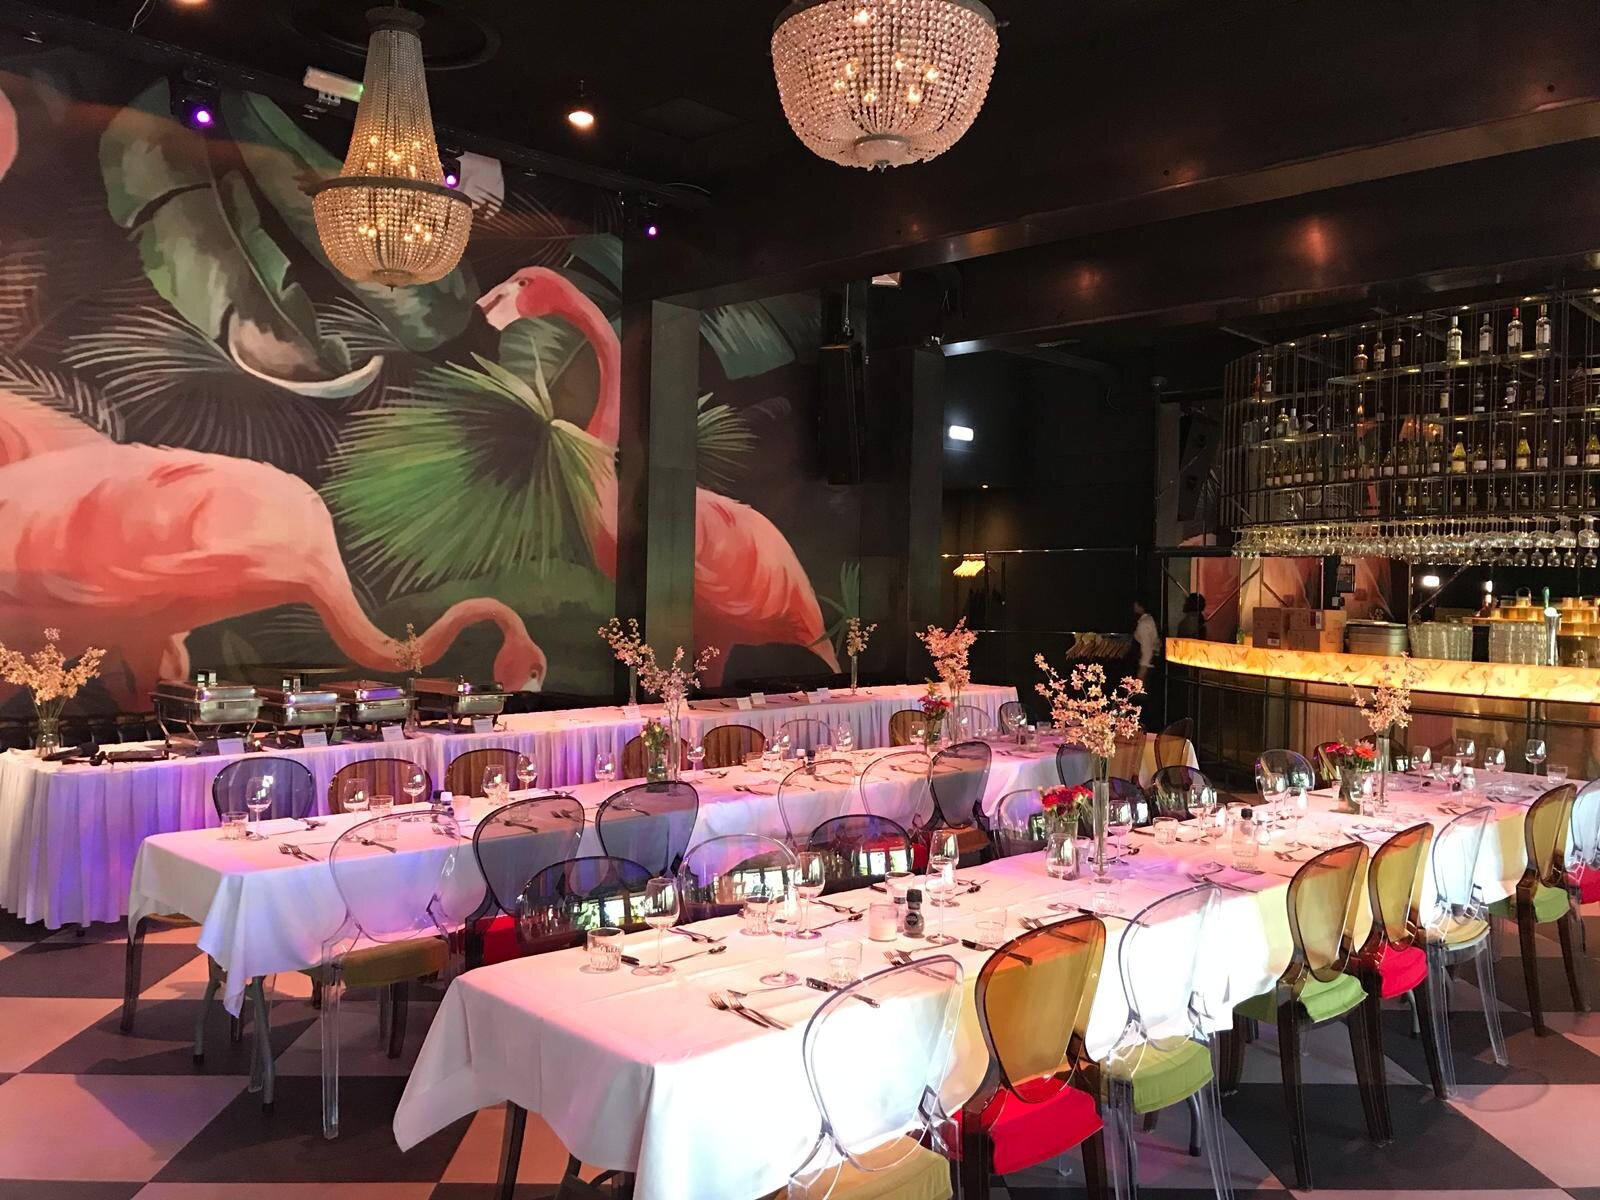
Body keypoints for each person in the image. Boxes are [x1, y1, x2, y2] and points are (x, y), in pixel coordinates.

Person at [1132, 597, 1161, 683]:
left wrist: (1140, 675)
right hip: (1151, 664)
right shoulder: (1150, 620)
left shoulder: (1144, 624)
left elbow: (1147, 650)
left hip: (1146, 667)